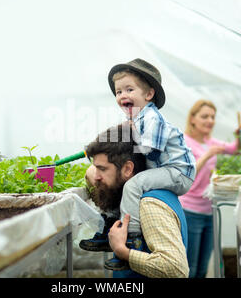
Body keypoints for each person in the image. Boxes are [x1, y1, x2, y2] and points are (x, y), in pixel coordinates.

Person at [80, 58, 196, 271]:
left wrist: (121, 142)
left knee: (133, 185)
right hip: (163, 169)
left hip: (178, 172)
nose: (122, 95)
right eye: (118, 92)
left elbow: (150, 150)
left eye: (129, 89)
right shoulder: (138, 118)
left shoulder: (153, 118)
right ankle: (109, 225)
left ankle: (131, 236)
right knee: (125, 185)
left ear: (148, 94)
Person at [82, 124, 189, 278]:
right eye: (96, 168)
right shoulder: (125, 192)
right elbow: (92, 174)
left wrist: (123, 251)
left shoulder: (150, 204)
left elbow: (176, 269)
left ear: (127, 169)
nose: (97, 176)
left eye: (103, 169)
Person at [179, 99, 241, 278]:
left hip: (209, 211)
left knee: (202, 268)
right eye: (205, 116)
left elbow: (236, 150)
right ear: (192, 118)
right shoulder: (183, 142)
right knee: (189, 267)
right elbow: (187, 173)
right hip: (189, 211)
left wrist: (240, 137)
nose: (210, 120)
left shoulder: (210, 142)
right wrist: (209, 154)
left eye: (212, 117)